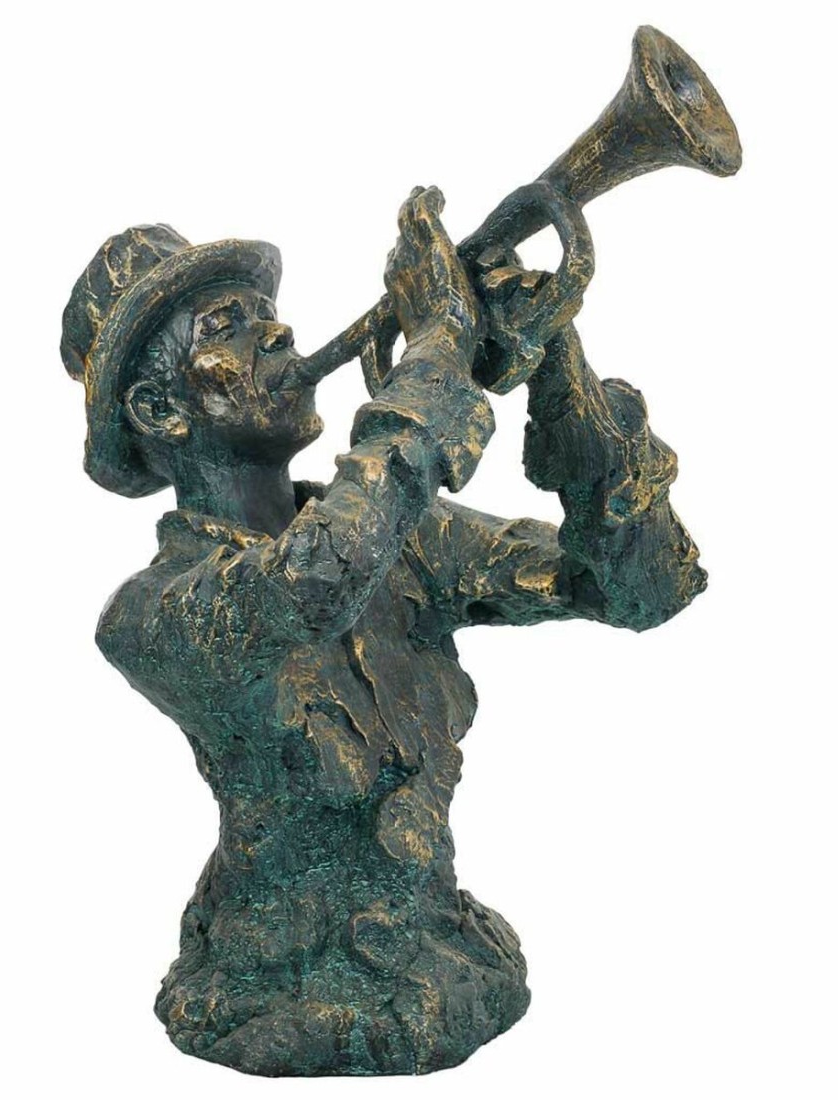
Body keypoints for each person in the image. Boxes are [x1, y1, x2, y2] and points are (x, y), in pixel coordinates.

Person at [61, 186, 705, 1076]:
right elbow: (315, 580)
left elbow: (638, 591)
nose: (278, 334)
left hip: (437, 948)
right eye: (227, 328)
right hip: (268, 978)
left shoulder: (406, 535)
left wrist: (557, 365)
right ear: (157, 409)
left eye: (266, 313)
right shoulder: (149, 616)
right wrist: (438, 345)